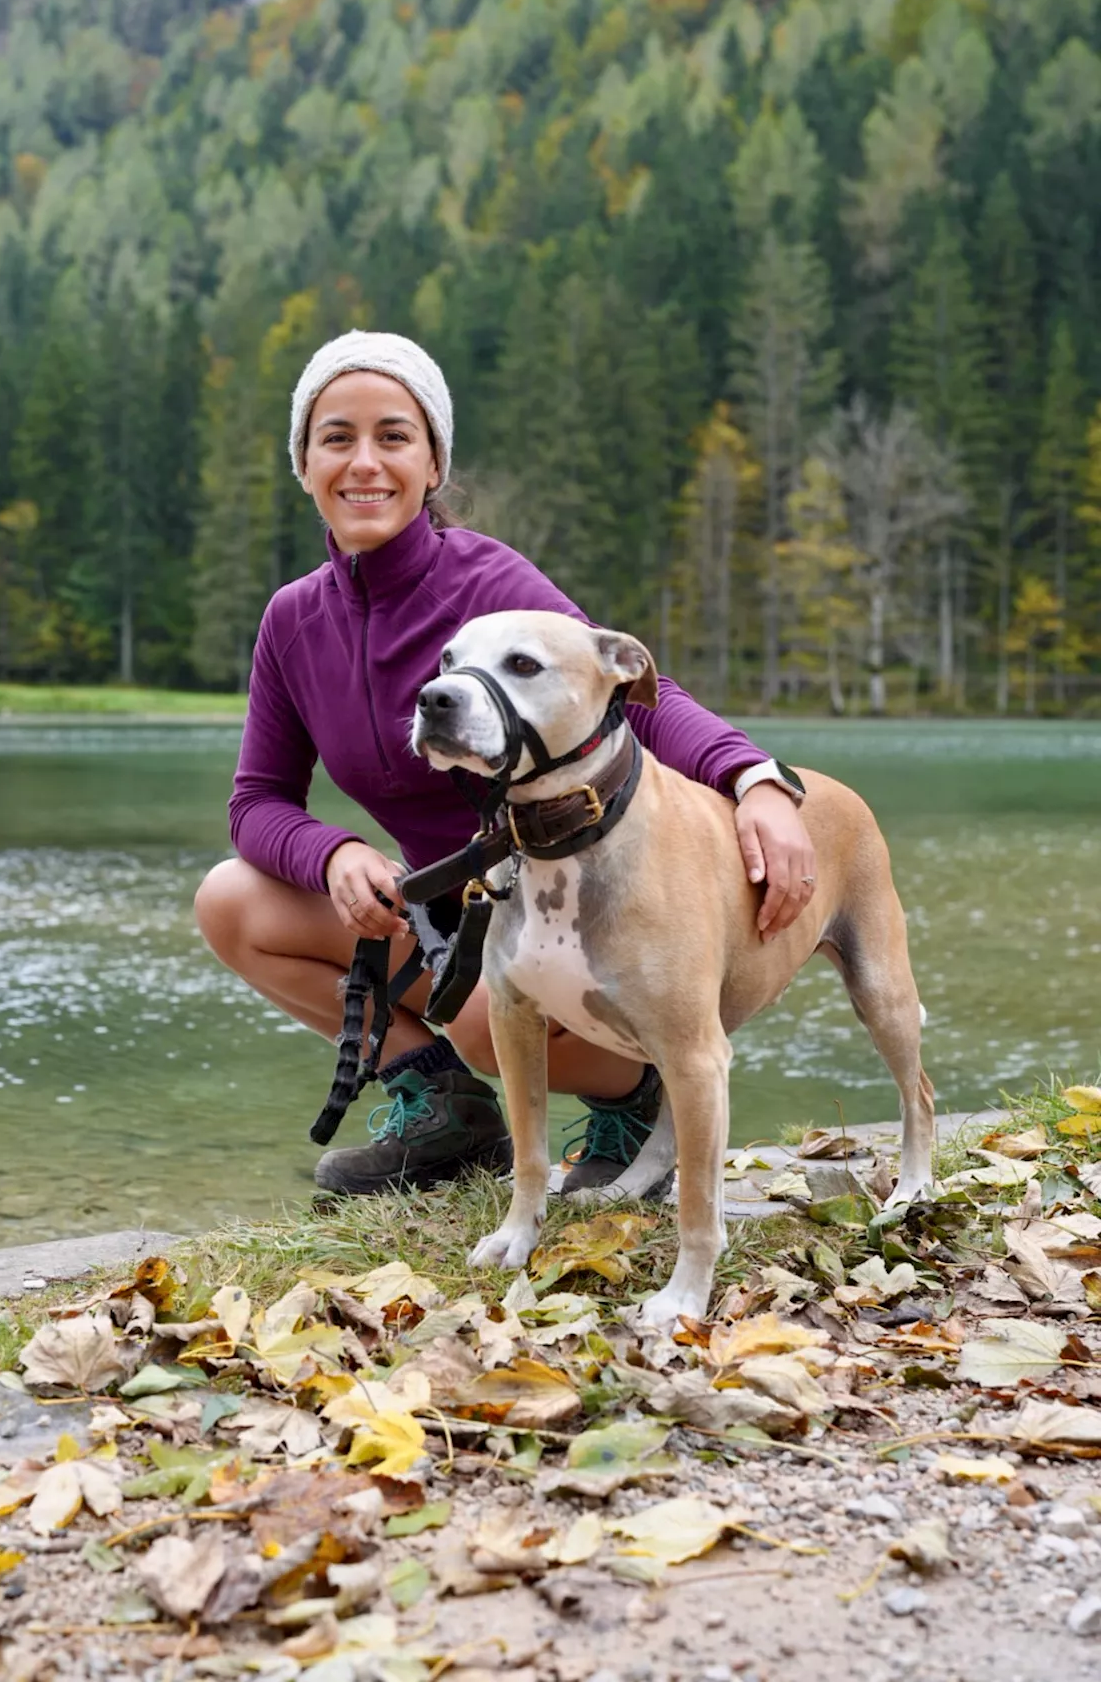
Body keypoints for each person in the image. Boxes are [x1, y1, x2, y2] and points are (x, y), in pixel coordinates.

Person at [195, 331, 817, 1197]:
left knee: (492, 1022)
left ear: (434, 462)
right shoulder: (293, 621)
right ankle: (443, 1107)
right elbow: (258, 801)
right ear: (303, 462)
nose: (364, 462)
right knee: (230, 901)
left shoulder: (491, 588)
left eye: (394, 436)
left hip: (553, 906)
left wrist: (755, 779)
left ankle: (635, 1090)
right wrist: (333, 854)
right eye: (336, 437)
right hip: (439, 905)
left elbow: (633, 690)